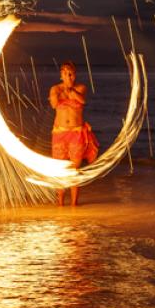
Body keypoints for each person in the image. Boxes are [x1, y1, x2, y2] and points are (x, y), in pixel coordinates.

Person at [49, 60, 99, 206]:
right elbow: (53, 104)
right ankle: (60, 203)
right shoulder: (55, 89)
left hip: (76, 134)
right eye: (65, 74)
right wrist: (60, 92)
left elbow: (81, 100)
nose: (68, 76)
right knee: (60, 170)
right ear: (61, 75)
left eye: (70, 74)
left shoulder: (81, 88)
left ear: (74, 75)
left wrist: (69, 90)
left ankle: (74, 204)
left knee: (74, 171)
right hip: (60, 134)